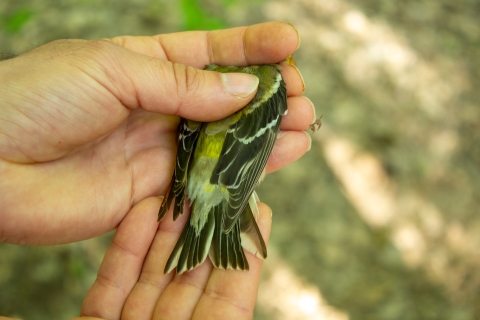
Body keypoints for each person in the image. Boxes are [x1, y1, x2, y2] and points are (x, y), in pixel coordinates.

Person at [0, 22, 314, 319]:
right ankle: (216, 230)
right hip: (222, 175)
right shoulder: (269, 83)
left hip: (199, 168)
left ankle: (207, 230)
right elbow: (259, 142)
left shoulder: (212, 72)